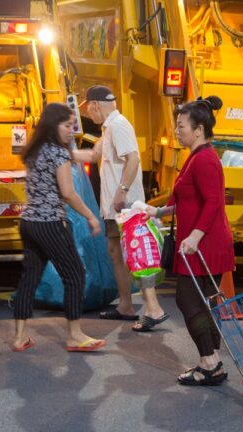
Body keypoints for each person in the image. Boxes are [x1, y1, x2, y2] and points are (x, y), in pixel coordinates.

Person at [145, 96, 234, 386]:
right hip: (202, 243)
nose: (176, 130)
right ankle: (213, 360)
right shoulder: (197, 156)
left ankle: (209, 362)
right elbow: (186, 200)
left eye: (181, 125)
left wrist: (195, 236)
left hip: (204, 244)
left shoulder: (204, 159)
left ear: (199, 130)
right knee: (205, 303)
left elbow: (213, 202)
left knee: (188, 300)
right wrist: (158, 211)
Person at [12, 102, 106, 353]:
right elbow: (68, 193)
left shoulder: (35, 150)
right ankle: (74, 335)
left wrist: (96, 149)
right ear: (54, 125)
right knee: (75, 275)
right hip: (50, 223)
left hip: (29, 223)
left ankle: (20, 337)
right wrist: (90, 216)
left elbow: (85, 156)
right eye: (67, 125)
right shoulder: (58, 153)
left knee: (30, 278)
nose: (71, 130)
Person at [74, 85, 168, 331]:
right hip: (115, 207)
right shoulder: (108, 128)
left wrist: (122, 190)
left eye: (88, 108)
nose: (88, 113)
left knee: (136, 255)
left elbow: (133, 158)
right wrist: (62, 153)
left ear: (95, 105)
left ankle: (153, 308)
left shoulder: (118, 125)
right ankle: (126, 305)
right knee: (116, 252)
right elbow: (93, 155)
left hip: (125, 206)